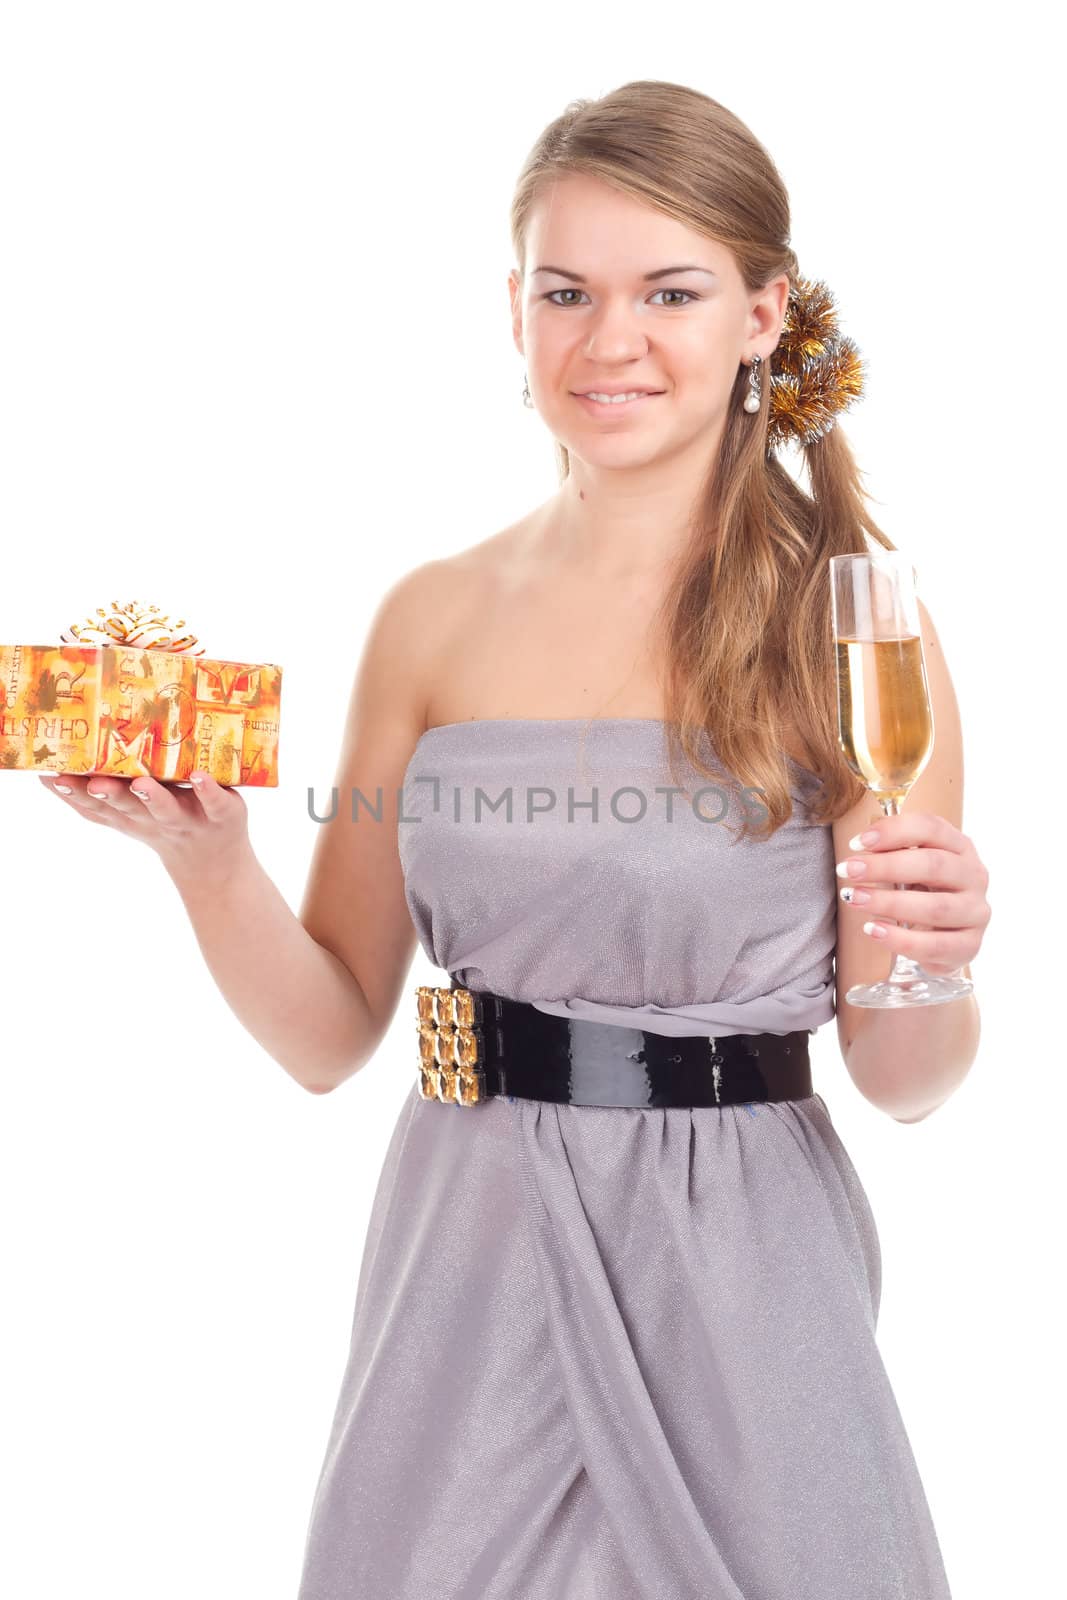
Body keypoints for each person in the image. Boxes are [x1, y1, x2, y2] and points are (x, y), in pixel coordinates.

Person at [40, 79, 991, 1600]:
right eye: (569, 292)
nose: (610, 342)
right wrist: (206, 861)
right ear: (515, 312)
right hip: (465, 1266)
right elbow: (329, 1034)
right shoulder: (432, 616)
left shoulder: (849, 624)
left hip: (743, 1280)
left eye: (668, 292)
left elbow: (905, 1080)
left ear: (764, 315)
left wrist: (937, 963)